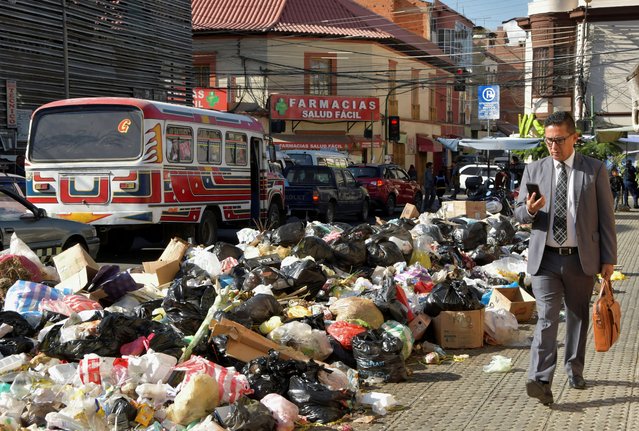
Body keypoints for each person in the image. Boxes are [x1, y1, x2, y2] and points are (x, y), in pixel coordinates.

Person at [514, 111, 616, 406]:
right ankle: (541, 379)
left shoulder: (593, 169)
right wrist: (530, 210)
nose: (553, 146)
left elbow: (606, 218)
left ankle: (574, 368)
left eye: (559, 140)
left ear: (574, 138)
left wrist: (608, 258)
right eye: (548, 141)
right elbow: (518, 213)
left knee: (578, 316)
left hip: (581, 258)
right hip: (545, 258)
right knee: (546, 318)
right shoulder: (534, 170)